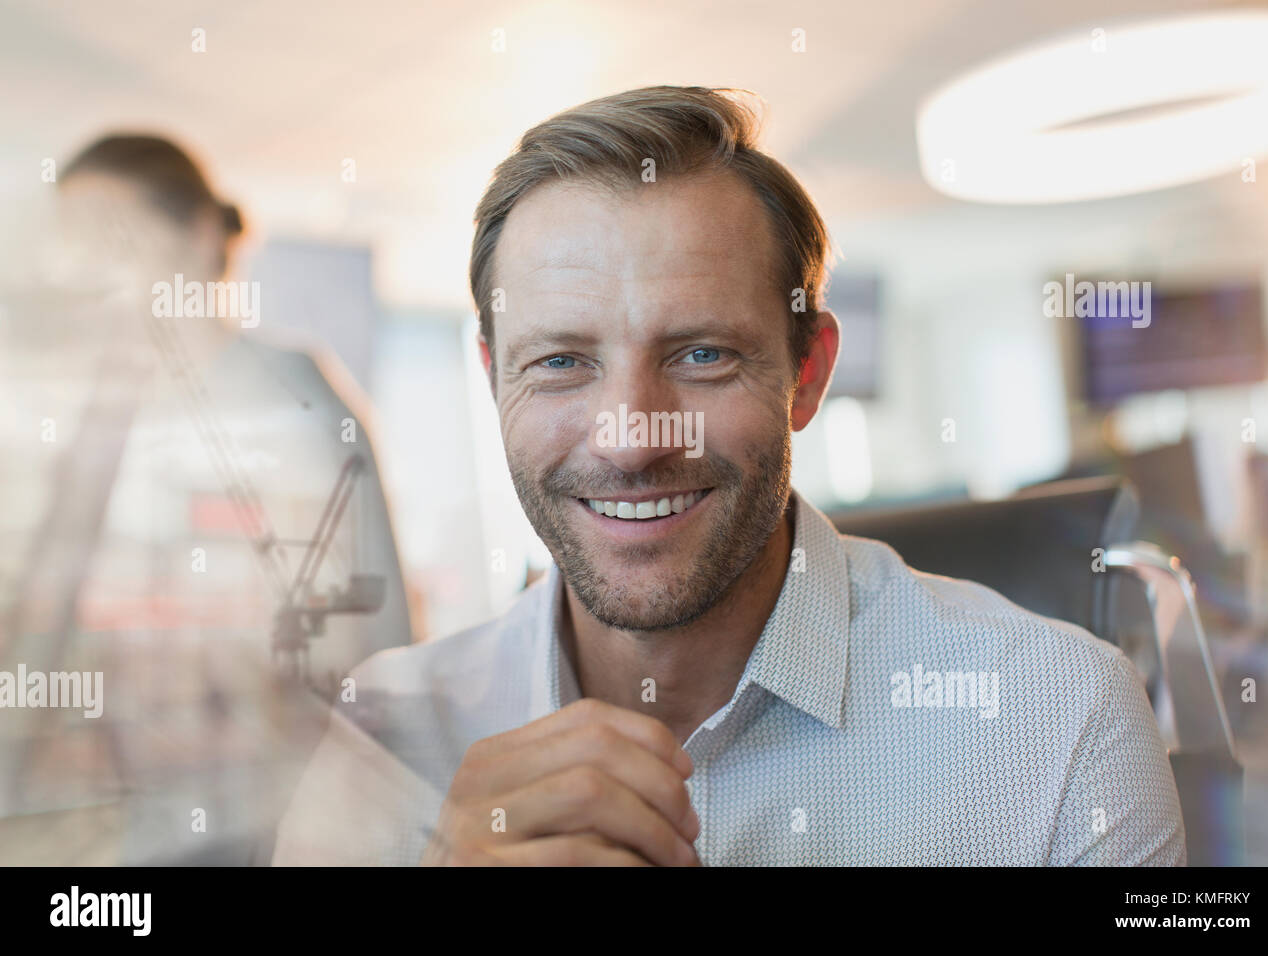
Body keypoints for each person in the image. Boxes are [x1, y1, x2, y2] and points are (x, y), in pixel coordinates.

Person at [273, 86, 1185, 866]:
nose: (631, 439)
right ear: (491, 380)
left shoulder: (1060, 720)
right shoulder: (380, 738)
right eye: (559, 362)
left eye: (703, 353)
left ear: (808, 373)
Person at [0, 133, 411, 864]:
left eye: (111, 237)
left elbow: (377, 650)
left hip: (278, 824)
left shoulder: (297, 400)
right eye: (72, 248)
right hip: (113, 833)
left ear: (195, 239)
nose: (87, 270)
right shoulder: (91, 422)